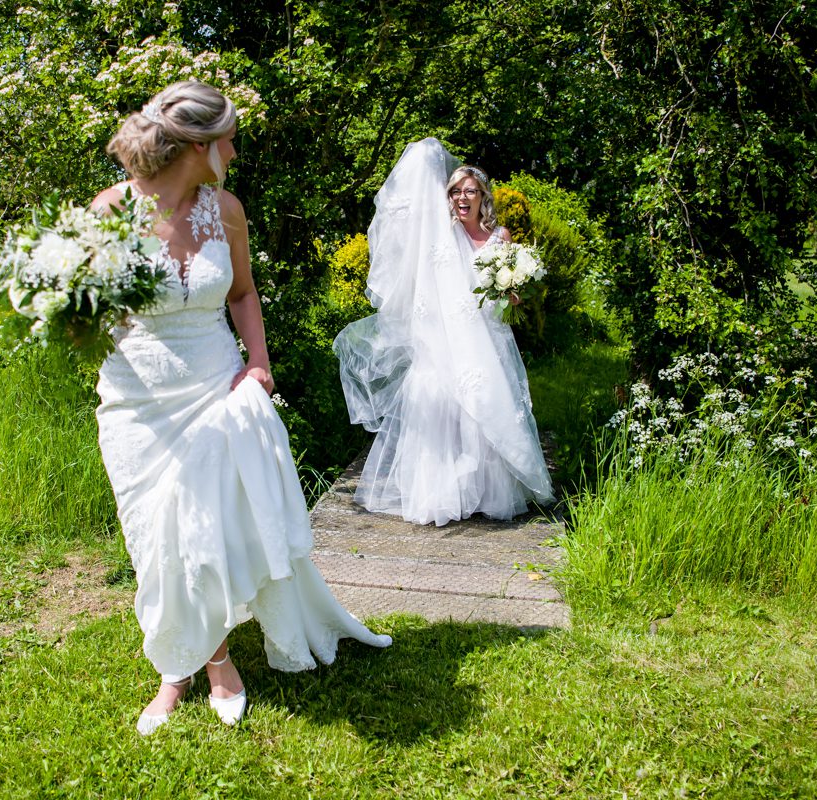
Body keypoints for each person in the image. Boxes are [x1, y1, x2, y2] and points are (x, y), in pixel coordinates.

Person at [91, 81, 391, 736]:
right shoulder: (110, 209)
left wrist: (259, 364)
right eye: (228, 136)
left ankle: (213, 663)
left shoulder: (224, 209)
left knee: (206, 534)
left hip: (213, 389)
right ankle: (181, 666)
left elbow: (244, 295)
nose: (234, 147)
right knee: (155, 541)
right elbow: (89, 309)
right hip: (137, 402)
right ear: (198, 144)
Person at [333, 138, 554, 527]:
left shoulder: (500, 238)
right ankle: (447, 492)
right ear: (448, 198)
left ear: (483, 196)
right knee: (443, 404)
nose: (462, 198)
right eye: (455, 191)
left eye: (470, 191)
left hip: (490, 336)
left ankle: (489, 491)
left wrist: (513, 294)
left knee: (489, 407)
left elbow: (512, 296)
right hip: (448, 336)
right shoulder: (441, 236)